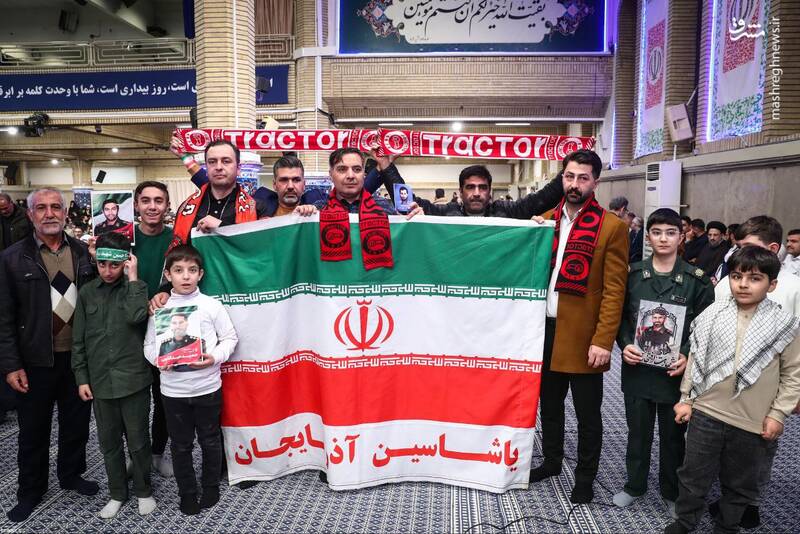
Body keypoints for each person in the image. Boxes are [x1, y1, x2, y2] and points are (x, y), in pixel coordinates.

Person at [665, 247, 800, 534]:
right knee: (693, 475)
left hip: (752, 420)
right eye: (737, 276)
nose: (743, 284)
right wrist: (686, 399)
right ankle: (685, 521)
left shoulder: (785, 324)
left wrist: (777, 414)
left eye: (755, 278)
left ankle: (727, 526)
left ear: (772, 284)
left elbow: (792, 375)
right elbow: (696, 360)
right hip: (707, 411)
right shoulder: (713, 314)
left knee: (740, 481)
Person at [529, 149, 629, 504]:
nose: (574, 184)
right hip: (546, 331)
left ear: (595, 182)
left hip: (585, 338)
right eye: (569, 177)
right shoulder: (545, 221)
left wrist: (603, 340)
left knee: (587, 414)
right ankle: (552, 461)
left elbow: (615, 292)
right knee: (549, 405)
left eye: (583, 178)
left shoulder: (612, 227)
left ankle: (585, 476)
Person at [0, 188, 99, 522]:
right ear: (30, 215)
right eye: (41, 208)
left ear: (65, 212)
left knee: (76, 425)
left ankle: (71, 475)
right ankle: (30, 490)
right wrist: (11, 365)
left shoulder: (84, 253)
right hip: (35, 361)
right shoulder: (12, 258)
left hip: (78, 360)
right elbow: (4, 317)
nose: (49, 213)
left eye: (56, 206)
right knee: (33, 431)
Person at [613, 208, 714, 518]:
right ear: (648, 237)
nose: (664, 239)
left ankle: (671, 491)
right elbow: (619, 318)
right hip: (638, 370)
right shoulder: (632, 275)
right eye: (657, 232)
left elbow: (705, 325)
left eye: (671, 233)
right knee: (637, 432)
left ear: (681, 237)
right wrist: (626, 344)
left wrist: (686, 353)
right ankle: (635, 485)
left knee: (673, 437)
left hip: (675, 374)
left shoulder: (696, 281)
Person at [711, 215, 800, 528]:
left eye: (747, 246)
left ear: (772, 249)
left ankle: (751, 502)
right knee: (725, 445)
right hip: (725, 381)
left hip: (769, 385)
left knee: (761, 447)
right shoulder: (728, 282)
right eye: (737, 247)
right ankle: (729, 497)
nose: (738, 254)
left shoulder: (793, 288)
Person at [144, 245, 238, 516]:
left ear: (200, 274)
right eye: (178, 270)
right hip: (173, 391)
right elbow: (149, 346)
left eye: (192, 270)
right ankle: (186, 491)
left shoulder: (211, 305)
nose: (185, 276)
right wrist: (159, 361)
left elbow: (230, 338)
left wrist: (214, 357)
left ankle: (210, 486)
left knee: (210, 440)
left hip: (208, 387)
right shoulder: (161, 309)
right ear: (168, 275)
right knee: (180, 444)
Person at [71, 232, 156, 518]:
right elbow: (79, 339)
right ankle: (117, 493)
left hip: (133, 380)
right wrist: (82, 377)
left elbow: (136, 317)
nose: (107, 271)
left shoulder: (136, 288)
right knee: (109, 444)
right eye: (102, 264)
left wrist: (133, 277)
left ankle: (144, 490)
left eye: (115, 265)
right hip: (100, 382)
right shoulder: (87, 292)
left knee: (138, 441)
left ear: (126, 263)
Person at [170, 136, 404, 214]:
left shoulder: (318, 204)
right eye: (284, 180)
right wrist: (186, 159)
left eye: (296, 180)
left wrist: (384, 167)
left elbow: (358, 188)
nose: (290, 185)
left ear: (304, 184)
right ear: (274, 185)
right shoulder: (259, 204)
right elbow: (219, 183)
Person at [131, 180, 174, 477]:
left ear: (167, 205)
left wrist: (168, 292)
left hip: (164, 329)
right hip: (129, 329)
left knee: (163, 398)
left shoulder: (176, 239)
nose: (152, 206)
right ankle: (136, 455)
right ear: (136, 205)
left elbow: (186, 273)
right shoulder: (124, 238)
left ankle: (158, 452)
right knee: (133, 400)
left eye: (158, 201)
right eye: (146, 200)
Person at [413, 164, 563, 218]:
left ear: (490, 191)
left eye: (483, 187)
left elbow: (543, 199)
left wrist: (568, 173)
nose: (477, 193)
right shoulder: (446, 213)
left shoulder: (505, 211)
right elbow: (406, 200)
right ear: (460, 192)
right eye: (470, 187)